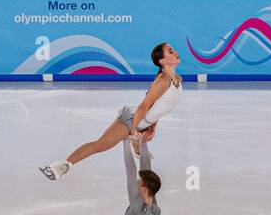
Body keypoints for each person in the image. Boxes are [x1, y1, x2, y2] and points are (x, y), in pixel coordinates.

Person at [39, 43, 183, 181]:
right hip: (132, 118)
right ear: (162, 61)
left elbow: (160, 106)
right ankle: (61, 167)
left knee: (141, 145)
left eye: (174, 50)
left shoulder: (177, 80)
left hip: (143, 122)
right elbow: (143, 106)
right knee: (101, 144)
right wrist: (133, 129)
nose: (176, 52)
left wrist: (152, 126)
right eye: (171, 51)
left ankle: (137, 148)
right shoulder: (163, 82)